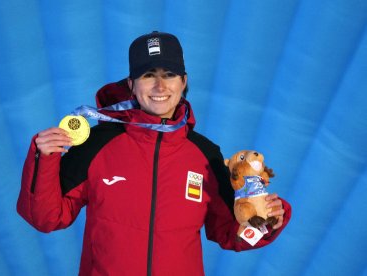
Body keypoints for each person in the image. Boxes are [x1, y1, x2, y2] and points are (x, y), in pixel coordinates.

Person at [17, 31, 291, 276]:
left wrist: (268, 221)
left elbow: (230, 234)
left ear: (183, 82)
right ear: (132, 84)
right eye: (149, 75)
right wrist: (44, 158)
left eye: (169, 74)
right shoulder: (97, 145)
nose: (160, 86)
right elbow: (47, 218)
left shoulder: (205, 156)